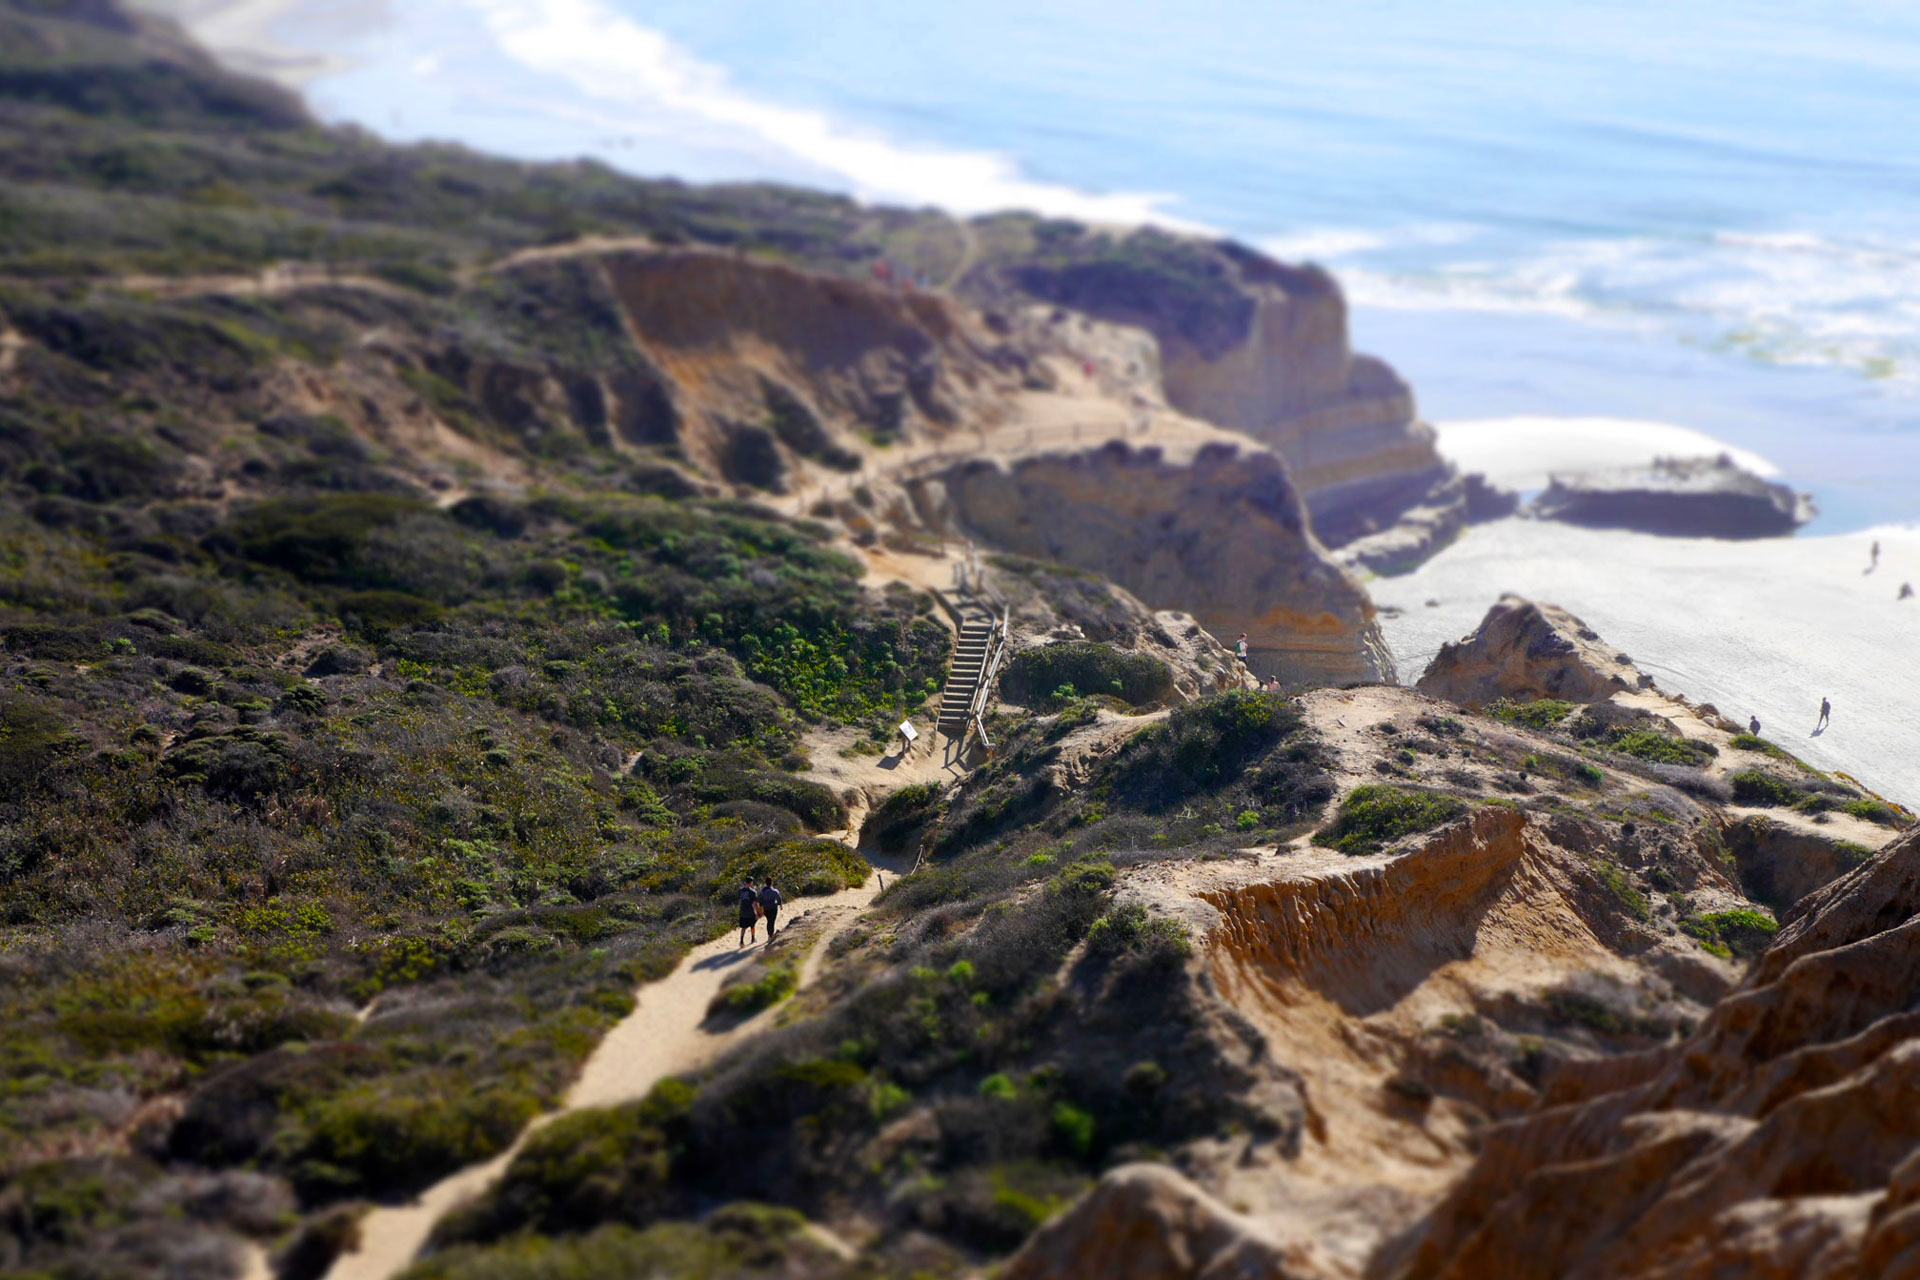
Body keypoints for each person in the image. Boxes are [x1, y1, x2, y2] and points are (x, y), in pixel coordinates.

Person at [737, 880, 760, 946]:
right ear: (751, 883)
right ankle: (752, 938)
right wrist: (757, 912)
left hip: (743, 912)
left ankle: (741, 941)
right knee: (752, 926)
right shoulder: (753, 892)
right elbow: (755, 903)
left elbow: (739, 901)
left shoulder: (741, 891)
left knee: (743, 927)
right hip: (751, 911)